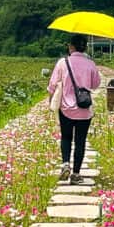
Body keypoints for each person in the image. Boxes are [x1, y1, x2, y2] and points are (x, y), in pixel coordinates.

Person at [47, 34, 101, 184]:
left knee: (66, 137)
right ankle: (76, 174)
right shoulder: (90, 64)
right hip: (84, 109)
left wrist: (51, 100)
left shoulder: (63, 62)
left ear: (71, 47)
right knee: (80, 141)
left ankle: (65, 163)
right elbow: (96, 84)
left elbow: (52, 85)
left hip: (66, 108)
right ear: (85, 47)